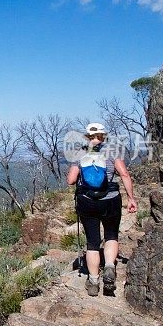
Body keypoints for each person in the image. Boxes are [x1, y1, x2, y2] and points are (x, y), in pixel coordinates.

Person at [66, 122, 137, 296]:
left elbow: (70, 180)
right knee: (111, 235)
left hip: (87, 201)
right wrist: (131, 198)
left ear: (87, 136)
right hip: (110, 199)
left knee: (92, 242)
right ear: (102, 136)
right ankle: (110, 267)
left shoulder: (80, 153)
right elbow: (124, 174)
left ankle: (93, 281)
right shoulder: (112, 151)